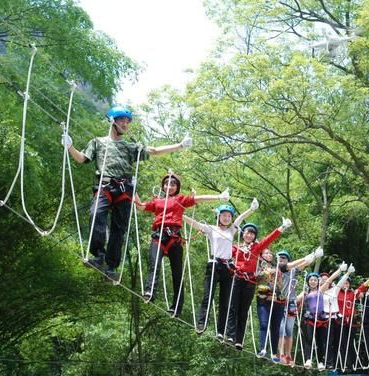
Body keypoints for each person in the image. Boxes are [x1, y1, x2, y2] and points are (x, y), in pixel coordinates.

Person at [62, 105, 191, 280]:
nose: (125, 124)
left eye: (127, 121)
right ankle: (98, 255)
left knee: (119, 229)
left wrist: (180, 146)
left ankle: (111, 266)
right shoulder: (98, 142)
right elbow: (81, 159)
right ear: (112, 121)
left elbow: (153, 151)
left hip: (123, 189)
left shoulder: (130, 147)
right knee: (96, 214)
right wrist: (70, 147)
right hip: (105, 185)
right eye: (122, 120)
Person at [137, 173, 228, 317]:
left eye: (173, 184)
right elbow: (141, 206)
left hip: (174, 238)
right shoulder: (157, 201)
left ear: (177, 187)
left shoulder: (180, 200)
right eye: (167, 184)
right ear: (163, 186)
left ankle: (177, 307)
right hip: (159, 236)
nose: (169, 186)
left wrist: (218, 197)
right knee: (154, 264)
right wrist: (133, 190)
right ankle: (150, 292)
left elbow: (199, 198)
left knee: (177, 274)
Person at [182, 199, 259, 335]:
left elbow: (240, 219)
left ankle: (221, 331)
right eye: (224, 215)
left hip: (228, 268)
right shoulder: (212, 229)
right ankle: (202, 322)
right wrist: (181, 214)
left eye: (229, 216)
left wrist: (251, 209)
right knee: (208, 296)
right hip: (214, 264)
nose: (226, 218)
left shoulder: (232, 230)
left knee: (225, 301)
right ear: (218, 216)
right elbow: (195, 224)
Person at [225, 218, 292, 350]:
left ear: (254, 236)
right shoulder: (236, 247)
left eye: (252, 233)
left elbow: (269, 239)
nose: (249, 235)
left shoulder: (256, 248)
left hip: (249, 282)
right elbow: (225, 252)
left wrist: (282, 227)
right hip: (237, 279)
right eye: (247, 233)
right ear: (243, 234)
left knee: (243, 311)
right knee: (233, 308)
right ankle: (230, 335)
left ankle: (239, 340)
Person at [255, 247, 323, 362]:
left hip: (290, 301)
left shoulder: (292, 270)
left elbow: (303, 264)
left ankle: (288, 355)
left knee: (289, 329)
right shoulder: (273, 269)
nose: (281, 259)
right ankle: (279, 353)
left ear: (287, 260)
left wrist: (314, 256)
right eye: (279, 258)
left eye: (284, 258)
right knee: (279, 328)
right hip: (277, 299)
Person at [297, 262, 348, 370]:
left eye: (315, 280)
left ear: (318, 282)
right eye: (311, 280)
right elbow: (296, 299)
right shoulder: (305, 291)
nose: (313, 282)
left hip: (321, 318)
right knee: (309, 339)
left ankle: (320, 361)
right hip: (309, 318)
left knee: (321, 341)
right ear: (308, 282)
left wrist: (340, 270)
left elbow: (330, 279)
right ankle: (308, 359)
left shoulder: (321, 290)